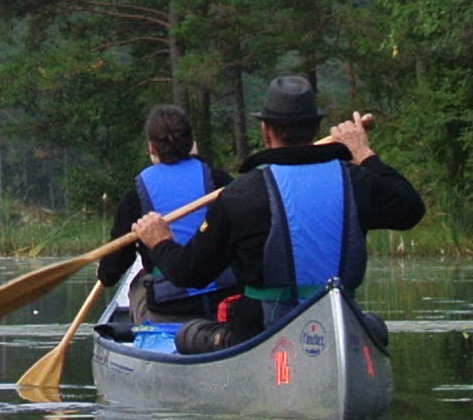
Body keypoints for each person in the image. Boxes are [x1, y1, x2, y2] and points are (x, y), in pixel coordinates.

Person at [121, 71, 424, 351]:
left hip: (260, 334)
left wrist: (160, 241)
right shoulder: (356, 182)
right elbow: (411, 209)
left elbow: (191, 273)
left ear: (266, 131)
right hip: (338, 327)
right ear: (316, 128)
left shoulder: (242, 194)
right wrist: (363, 152)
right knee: (373, 327)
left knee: (187, 335)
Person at [94, 103, 225, 340]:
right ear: (191, 143)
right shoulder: (220, 182)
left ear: (152, 147)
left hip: (169, 306)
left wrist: (102, 271)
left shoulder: (135, 197)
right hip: (221, 302)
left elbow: (112, 272)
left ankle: (151, 336)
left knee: (138, 283)